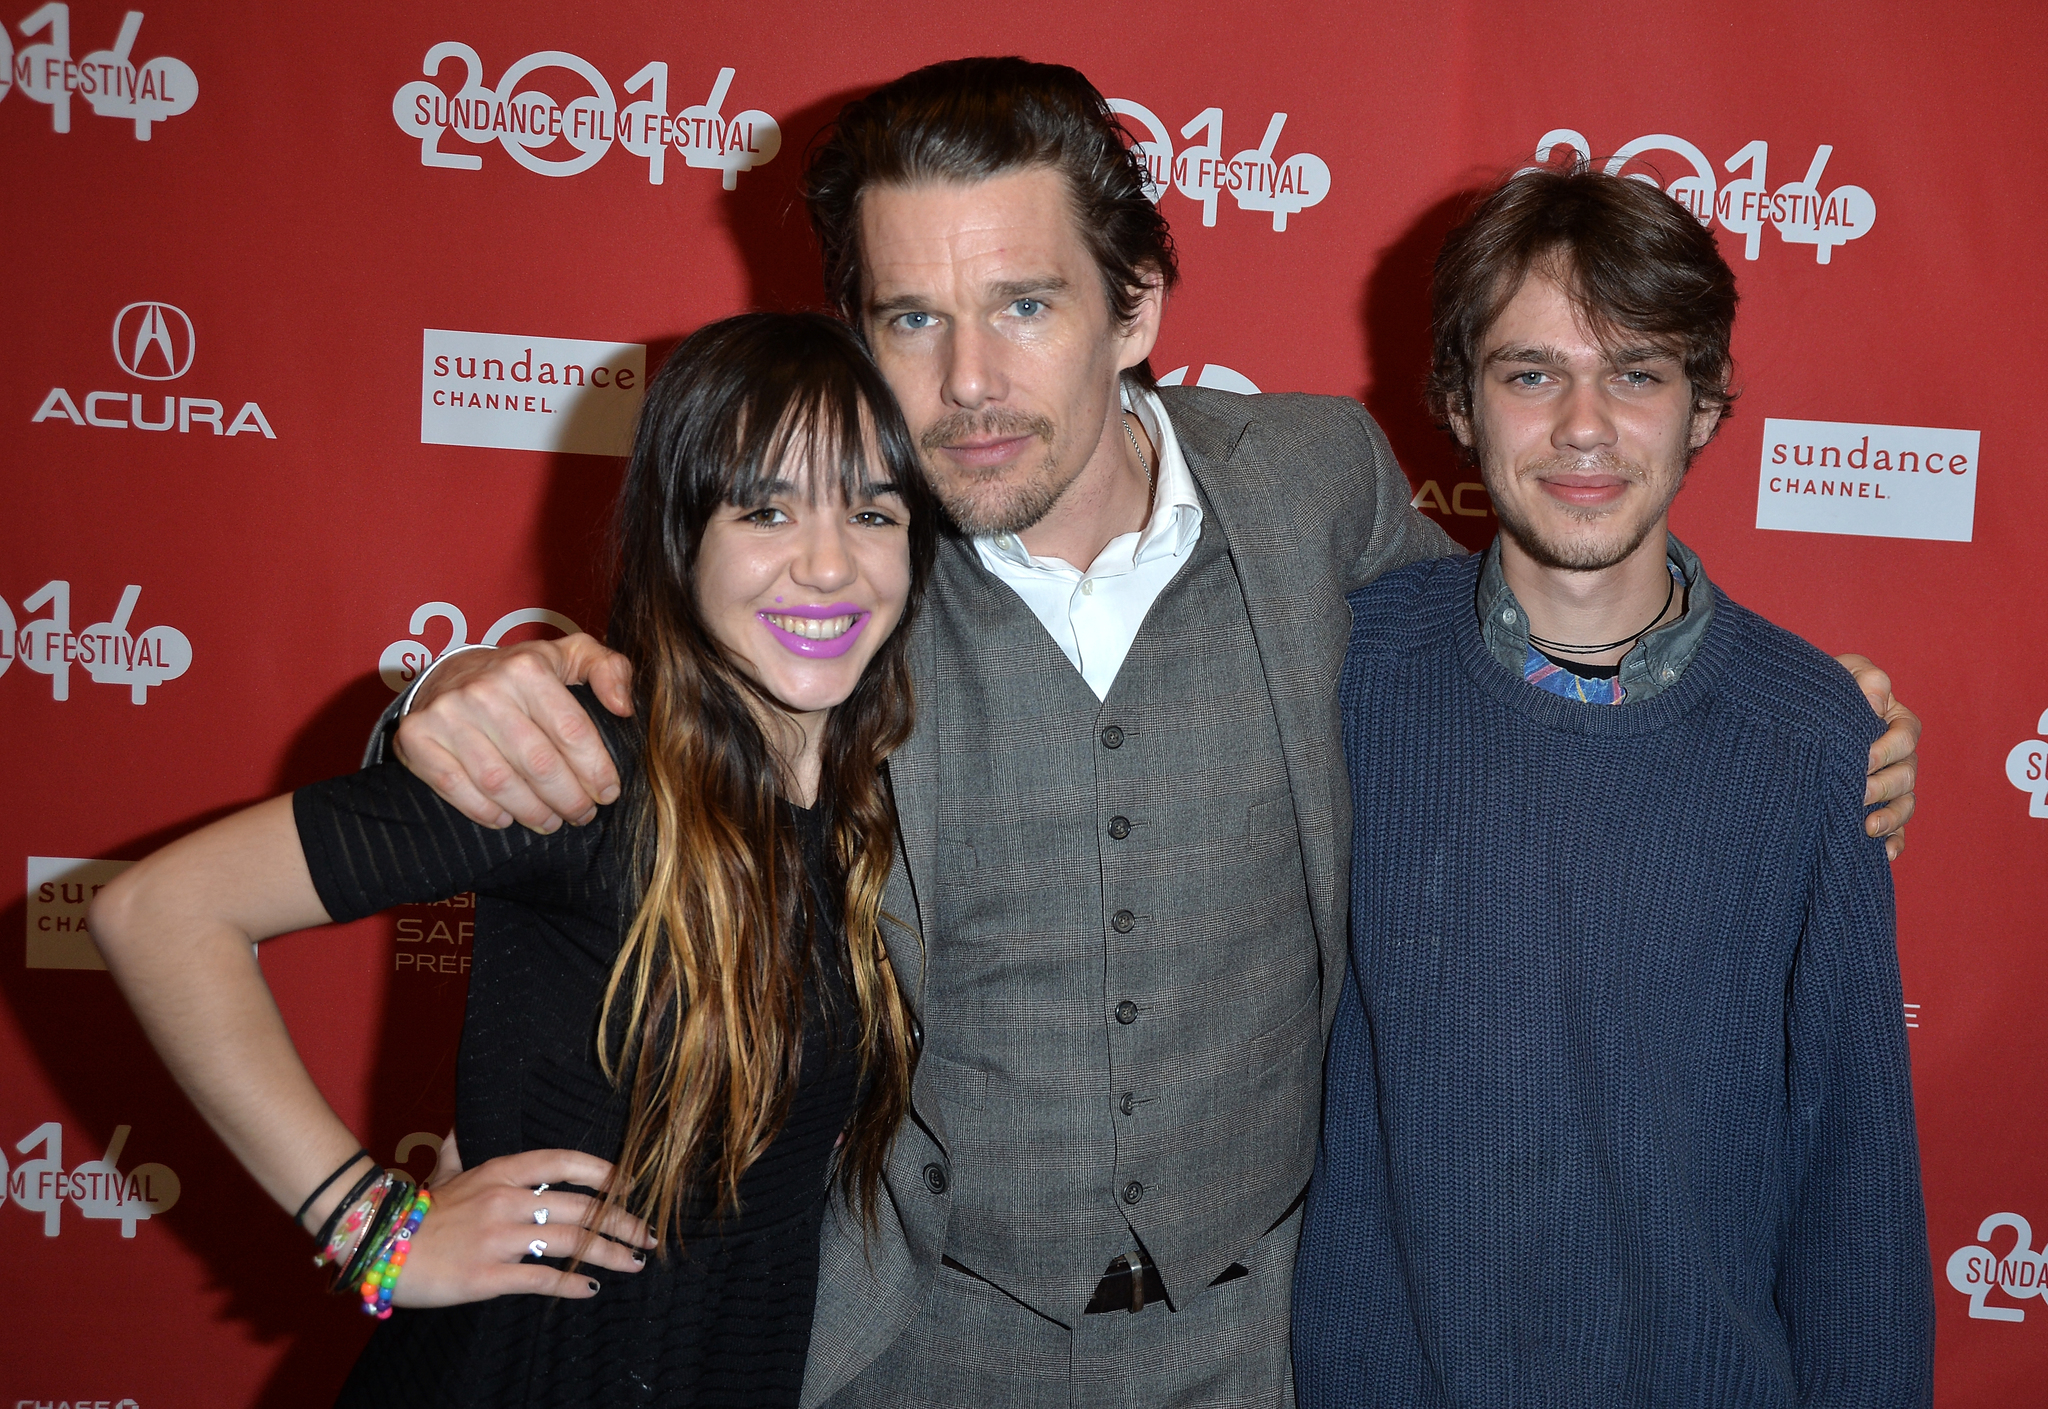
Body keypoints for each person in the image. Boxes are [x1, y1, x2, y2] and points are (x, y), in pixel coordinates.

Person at [374, 61, 1924, 1406]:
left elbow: (1517, 655)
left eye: (1026, 305)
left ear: (1137, 308)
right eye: (913, 317)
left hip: (1258, 1362)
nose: (968, 384)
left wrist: (1776, 720)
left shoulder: (1316, 490)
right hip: (903, 1353)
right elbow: (608, 744)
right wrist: (444, 702)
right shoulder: (831, 578)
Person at [88, 312, 939, 1407]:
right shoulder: (582, 764)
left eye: (872, 510)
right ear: (681, 540)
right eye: (764, 508)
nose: (828, 562)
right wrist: (373, 1230)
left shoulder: (879, 797)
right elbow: (161, 911)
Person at [1290, 166, 1934, 1406]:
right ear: (1456, 402)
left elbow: (1852, 1171)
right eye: (1530, 373)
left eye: (1634, 373)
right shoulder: (1343, 674)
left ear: (1700, 407)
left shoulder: (1812, 735)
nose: (1583, 426)